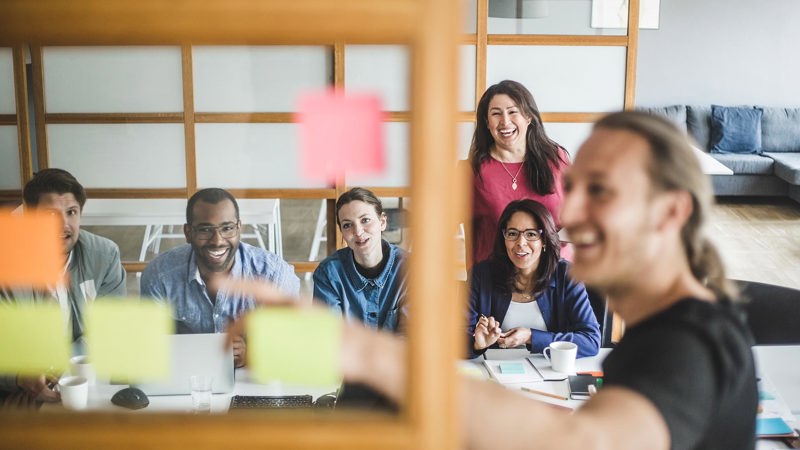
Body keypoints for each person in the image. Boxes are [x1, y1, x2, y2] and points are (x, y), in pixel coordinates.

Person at [226, 111, 758, 449]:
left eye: (601, 190)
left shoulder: (688, 344)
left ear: (669, 212)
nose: (568, 213)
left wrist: (368, 355)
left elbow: (583, 443)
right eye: (573, 189)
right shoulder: (667, 330)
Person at [0, 168, 126, 405]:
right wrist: (20, 376)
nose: (63, 225)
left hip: (87, 376)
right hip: (21, 387)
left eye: (71, 212)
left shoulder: (104, 254)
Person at [140, 188, 299, 367]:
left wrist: (252, 355)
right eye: (205, 230)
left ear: (239, 228)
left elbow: (290, 350)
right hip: (187, 379)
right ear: (188, 233)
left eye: (227, 228)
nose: (217, 240)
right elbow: (150, 348)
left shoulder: (274, 274)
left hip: (254, 380)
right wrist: (206, 353)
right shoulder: (159, 277)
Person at [468, 199, 599, 358]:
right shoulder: (481, 275)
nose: (521, 243)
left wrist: (531, 337)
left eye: (531, 234)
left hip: (550, 375)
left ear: (544, 240)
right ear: (504, 239)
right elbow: (454, 341)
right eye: (512, 233)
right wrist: (475, 344)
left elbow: (591, 341)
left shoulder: (567, 275)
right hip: (493, 374)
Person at [467, 79, 570, 266]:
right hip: (496, 279)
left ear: (528, 117)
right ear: (487, 122)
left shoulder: (557, 159)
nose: (505, 122)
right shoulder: (473, 170)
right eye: (496, 114)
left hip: (555, 275)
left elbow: (577, 214)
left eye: (513, 112)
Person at [313, 188, 408, 332]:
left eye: (365, 220)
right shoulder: (328, 274)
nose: (357, 232)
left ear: (382, 222)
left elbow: (412, 339)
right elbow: (330, 338)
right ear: (342, 233)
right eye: (347, 225)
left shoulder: (410, 269)